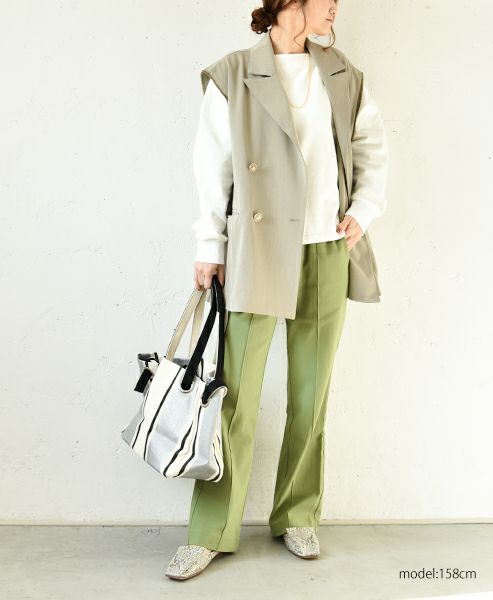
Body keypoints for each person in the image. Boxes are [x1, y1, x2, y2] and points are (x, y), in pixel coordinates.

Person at [165, 0, 388, 580]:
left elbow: (370, 145)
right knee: (234, 395)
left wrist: (363, 209)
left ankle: (297, 515)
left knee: (311, 395)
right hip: (258, 248)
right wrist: (209, 245)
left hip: (325, 248)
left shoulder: (342, 72)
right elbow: (212, 165)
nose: (335, 6)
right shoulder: (235, 73)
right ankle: (210, 530)